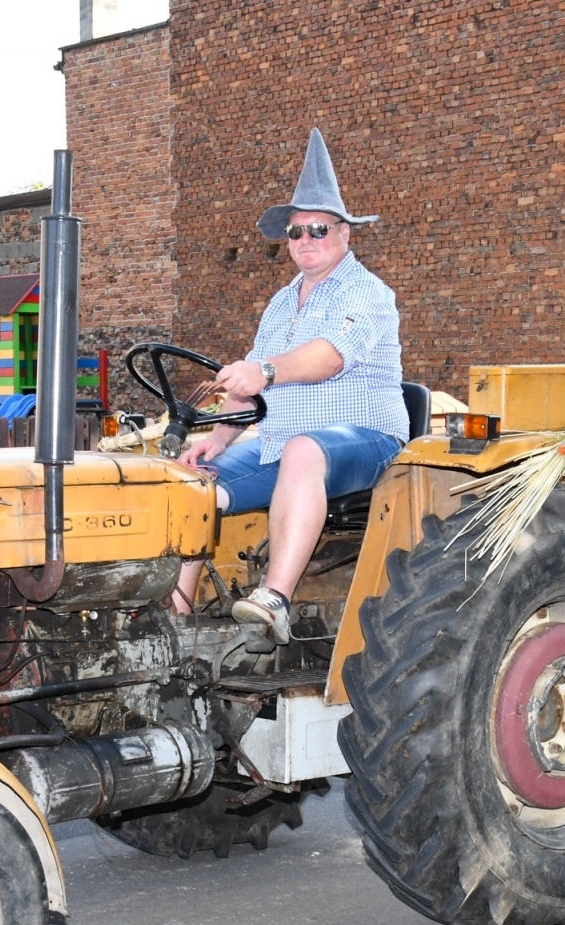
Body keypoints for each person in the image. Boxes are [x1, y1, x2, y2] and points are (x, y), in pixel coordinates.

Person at [172, 129, 409, 643]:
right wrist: (215, 440)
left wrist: (267, 371)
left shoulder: (369, 294)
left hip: (365, 440)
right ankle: (176, 616)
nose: (305, 241)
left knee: (304, 451)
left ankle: (275, 597)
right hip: (283, 444)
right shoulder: (282, 302)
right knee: (190, 482)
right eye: (296, 233)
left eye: (318, 230)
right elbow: (253, 387)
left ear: (346, 233)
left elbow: (324, 358)